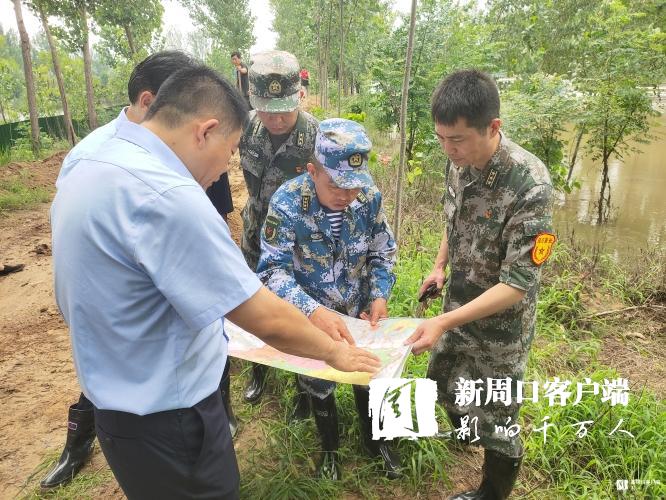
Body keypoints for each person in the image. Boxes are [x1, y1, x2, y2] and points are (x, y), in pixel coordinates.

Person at [50, 65, 380, 499]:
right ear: (205, 131)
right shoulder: (169, 198)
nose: (225, 170)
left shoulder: (89, 157)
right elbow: (263, 316)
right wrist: (334, 352)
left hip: (117, 408)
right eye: (230, 152)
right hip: (172, 417)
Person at [43, 50, 232, 490]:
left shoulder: (187, 149)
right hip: (157, 393)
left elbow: (214, 219)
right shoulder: (118, 165)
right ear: (150, 102)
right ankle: (77, 442)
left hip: (151, 378)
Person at [405, 69, 555, 499]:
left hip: (501, 326)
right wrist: (439, 267)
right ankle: (469, 433)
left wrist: (442, 322)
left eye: (457, 140)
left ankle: (491, 492)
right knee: (444, 378)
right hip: (459, 303)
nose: (448, 149)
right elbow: (454, 220)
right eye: (440, 138)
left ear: (493, 127)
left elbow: (517, 284)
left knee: (499, 413)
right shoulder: (458, 162)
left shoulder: (530, 184)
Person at [257, 118, 401, 480]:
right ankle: (330, 452)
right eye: (336, 185)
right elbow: (272, 271)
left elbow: (382, 252)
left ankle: (377, 443)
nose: (346, 195)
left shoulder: (368, 198)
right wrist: (312, 310)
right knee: (318, 382)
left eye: (354, 186)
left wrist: (379, 295)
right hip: (311, 313)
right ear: (313, 171)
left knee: (368, 373)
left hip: (358, 311)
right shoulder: (288, 202)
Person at [229, 50, 319, 407]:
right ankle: (259, 370)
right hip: (256, 233)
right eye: (268, 110)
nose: (277, 119)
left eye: (284, 109)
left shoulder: (316, 137)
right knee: (253, 305)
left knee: (298, 310)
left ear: (300, 96)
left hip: (298, 241)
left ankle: (303, 387)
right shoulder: (245, 128)